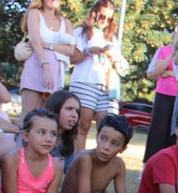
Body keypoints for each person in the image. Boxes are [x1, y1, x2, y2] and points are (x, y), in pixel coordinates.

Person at [0, 109, 107, 193]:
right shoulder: (13, 159)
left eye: (53, 134)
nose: (48, 139)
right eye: (41, 133)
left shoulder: (56, 165)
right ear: (26, 136)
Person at [57, 114, 174, 193]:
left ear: (123, 148)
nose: (106, 147)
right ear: (96, 137)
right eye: (103, 139)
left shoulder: (118, 164)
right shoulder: (85, 158)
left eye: (114, 143)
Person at [69, 0, 124, 152]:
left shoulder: (111, 38)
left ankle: (97, 166)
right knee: (83, 125)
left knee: (106, 128)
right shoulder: (81, 31)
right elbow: (72, 59)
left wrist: (112, 57)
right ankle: (77, 162)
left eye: (108, 18)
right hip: (85, 81)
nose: (104, 21)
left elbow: (118, 63)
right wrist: (89, 50)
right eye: (101, 16)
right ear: (94, 13)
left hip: (106, 86)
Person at [19, 0, 75, 123]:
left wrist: (48, 45)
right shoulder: (35, 13)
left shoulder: (66, 23)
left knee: (48, 119)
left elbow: (70, 50)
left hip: (56, 74)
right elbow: (35, 41)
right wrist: (46, 68)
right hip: (36, 69)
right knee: (27, 118)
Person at [143, 26, 178, 162]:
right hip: (163, 94)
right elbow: (156, 71)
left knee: (174, 133)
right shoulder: (164, 51)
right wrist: (173, 52)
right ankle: (149, 165)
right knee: (157, 132)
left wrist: (170, 73)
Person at [44, 90, 80, 170]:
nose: (74, 115)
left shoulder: (69, 144)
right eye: (69, 109)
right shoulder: (34, 134)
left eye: (77, 111)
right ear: (55, 109)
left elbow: (71, 174)